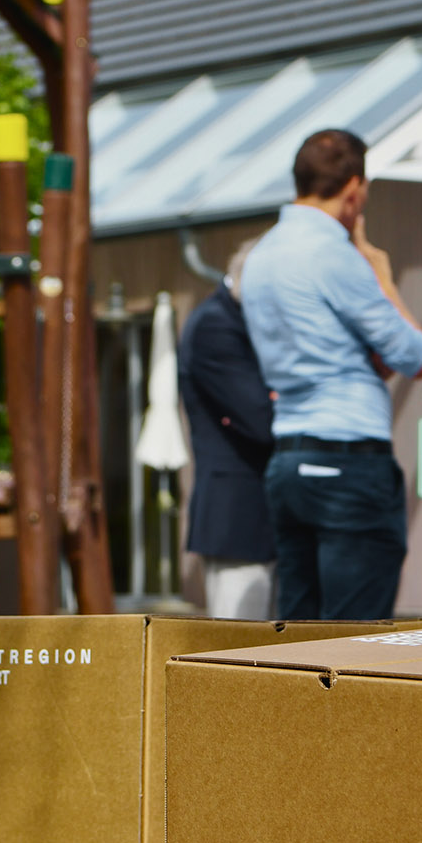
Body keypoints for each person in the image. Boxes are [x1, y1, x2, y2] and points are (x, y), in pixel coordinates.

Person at [242, 130, 422, 620]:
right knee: (355, 641)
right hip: (347, 463)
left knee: (299, 635)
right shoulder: (335, 255)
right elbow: (413, 353)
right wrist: (380, 271)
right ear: (353, 191)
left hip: (289, 460)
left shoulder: (260, 257)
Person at [177, 239, 276, 619]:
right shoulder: (215, 325)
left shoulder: (229, 319)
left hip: (251, 516)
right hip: (238, 517)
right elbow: (260, 417)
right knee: (240, 650)